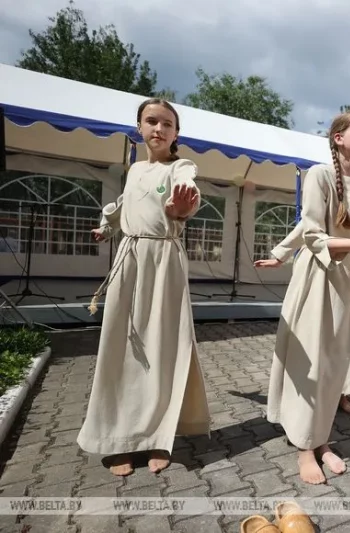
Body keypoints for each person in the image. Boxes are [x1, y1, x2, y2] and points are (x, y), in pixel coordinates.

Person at [77, 98, 211, 476]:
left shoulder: (181, 166)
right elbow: (123, 204)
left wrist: (179, 209)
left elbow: (187, 193)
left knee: (161, 349)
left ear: (176, 133)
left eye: (167, 124)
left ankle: (155, 436)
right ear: (139, 127)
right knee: (122, 350)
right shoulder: (135, 169)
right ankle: (117, 439)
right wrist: (107, 227)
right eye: (151, 121)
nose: (159, 128)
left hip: (164, 264)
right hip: (129, 261)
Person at [266, 110, 350, 485]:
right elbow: (311, 232)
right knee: (316, 364)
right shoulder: (320, 175)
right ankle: (306, 447)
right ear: (338, 137)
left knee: (336, 365)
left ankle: (320, 438)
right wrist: (282, 253)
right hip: (320, 279)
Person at [255, 159, 350, 414]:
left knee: (345, 341)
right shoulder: (325, 178)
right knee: (319, 341)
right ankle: (302, 405)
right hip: (325, 265)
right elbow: (307, 227)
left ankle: (338, 394)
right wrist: (281, 254)